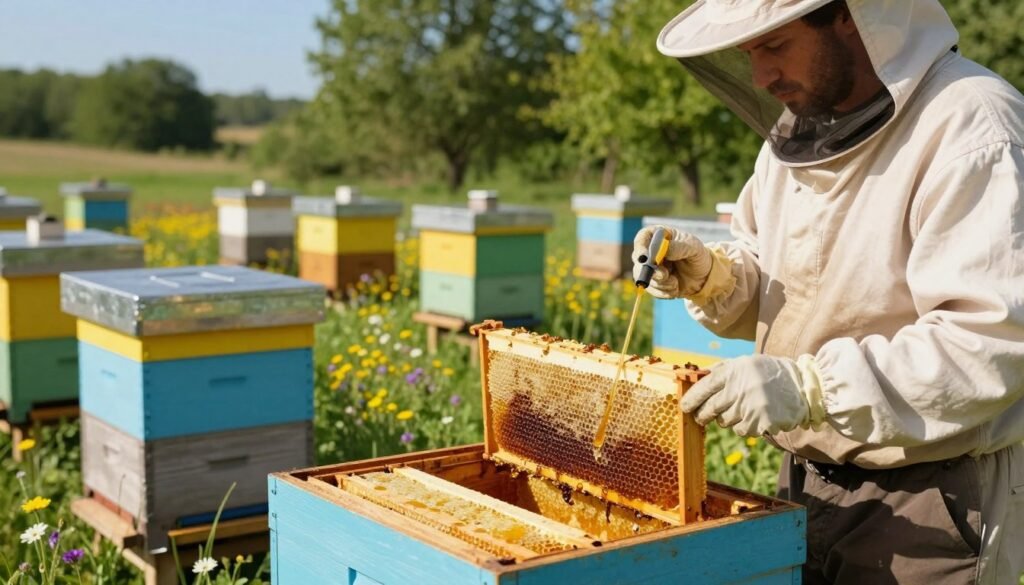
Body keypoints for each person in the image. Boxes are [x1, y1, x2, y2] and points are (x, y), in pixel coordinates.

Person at [633, 1, 1024, 583]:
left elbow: (990, 340)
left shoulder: (971, 126)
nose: (761, 76)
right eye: (748, 54)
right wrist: (716, 276)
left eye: (775, 46)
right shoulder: (797, 132)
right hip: (802, 475)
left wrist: (813, 388)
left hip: (930, 491)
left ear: (852, 15)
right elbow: (787, 281)